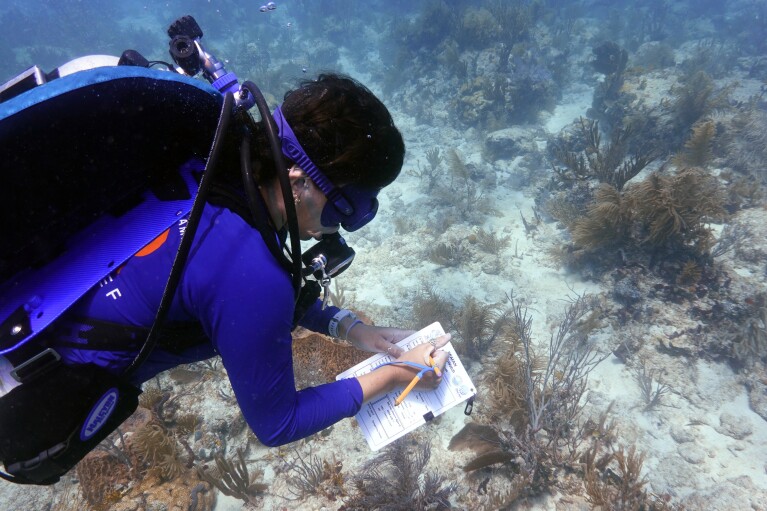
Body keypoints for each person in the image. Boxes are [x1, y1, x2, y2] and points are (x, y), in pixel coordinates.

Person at [43, 73, 450, 447]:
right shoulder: (253, 275)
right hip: (43, 376)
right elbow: (278, 423)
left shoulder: (223, 160)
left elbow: (231, 280)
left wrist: (352, 328)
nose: (338, 229)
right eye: (347, 208)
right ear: (298, 181)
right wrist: (401, 373)